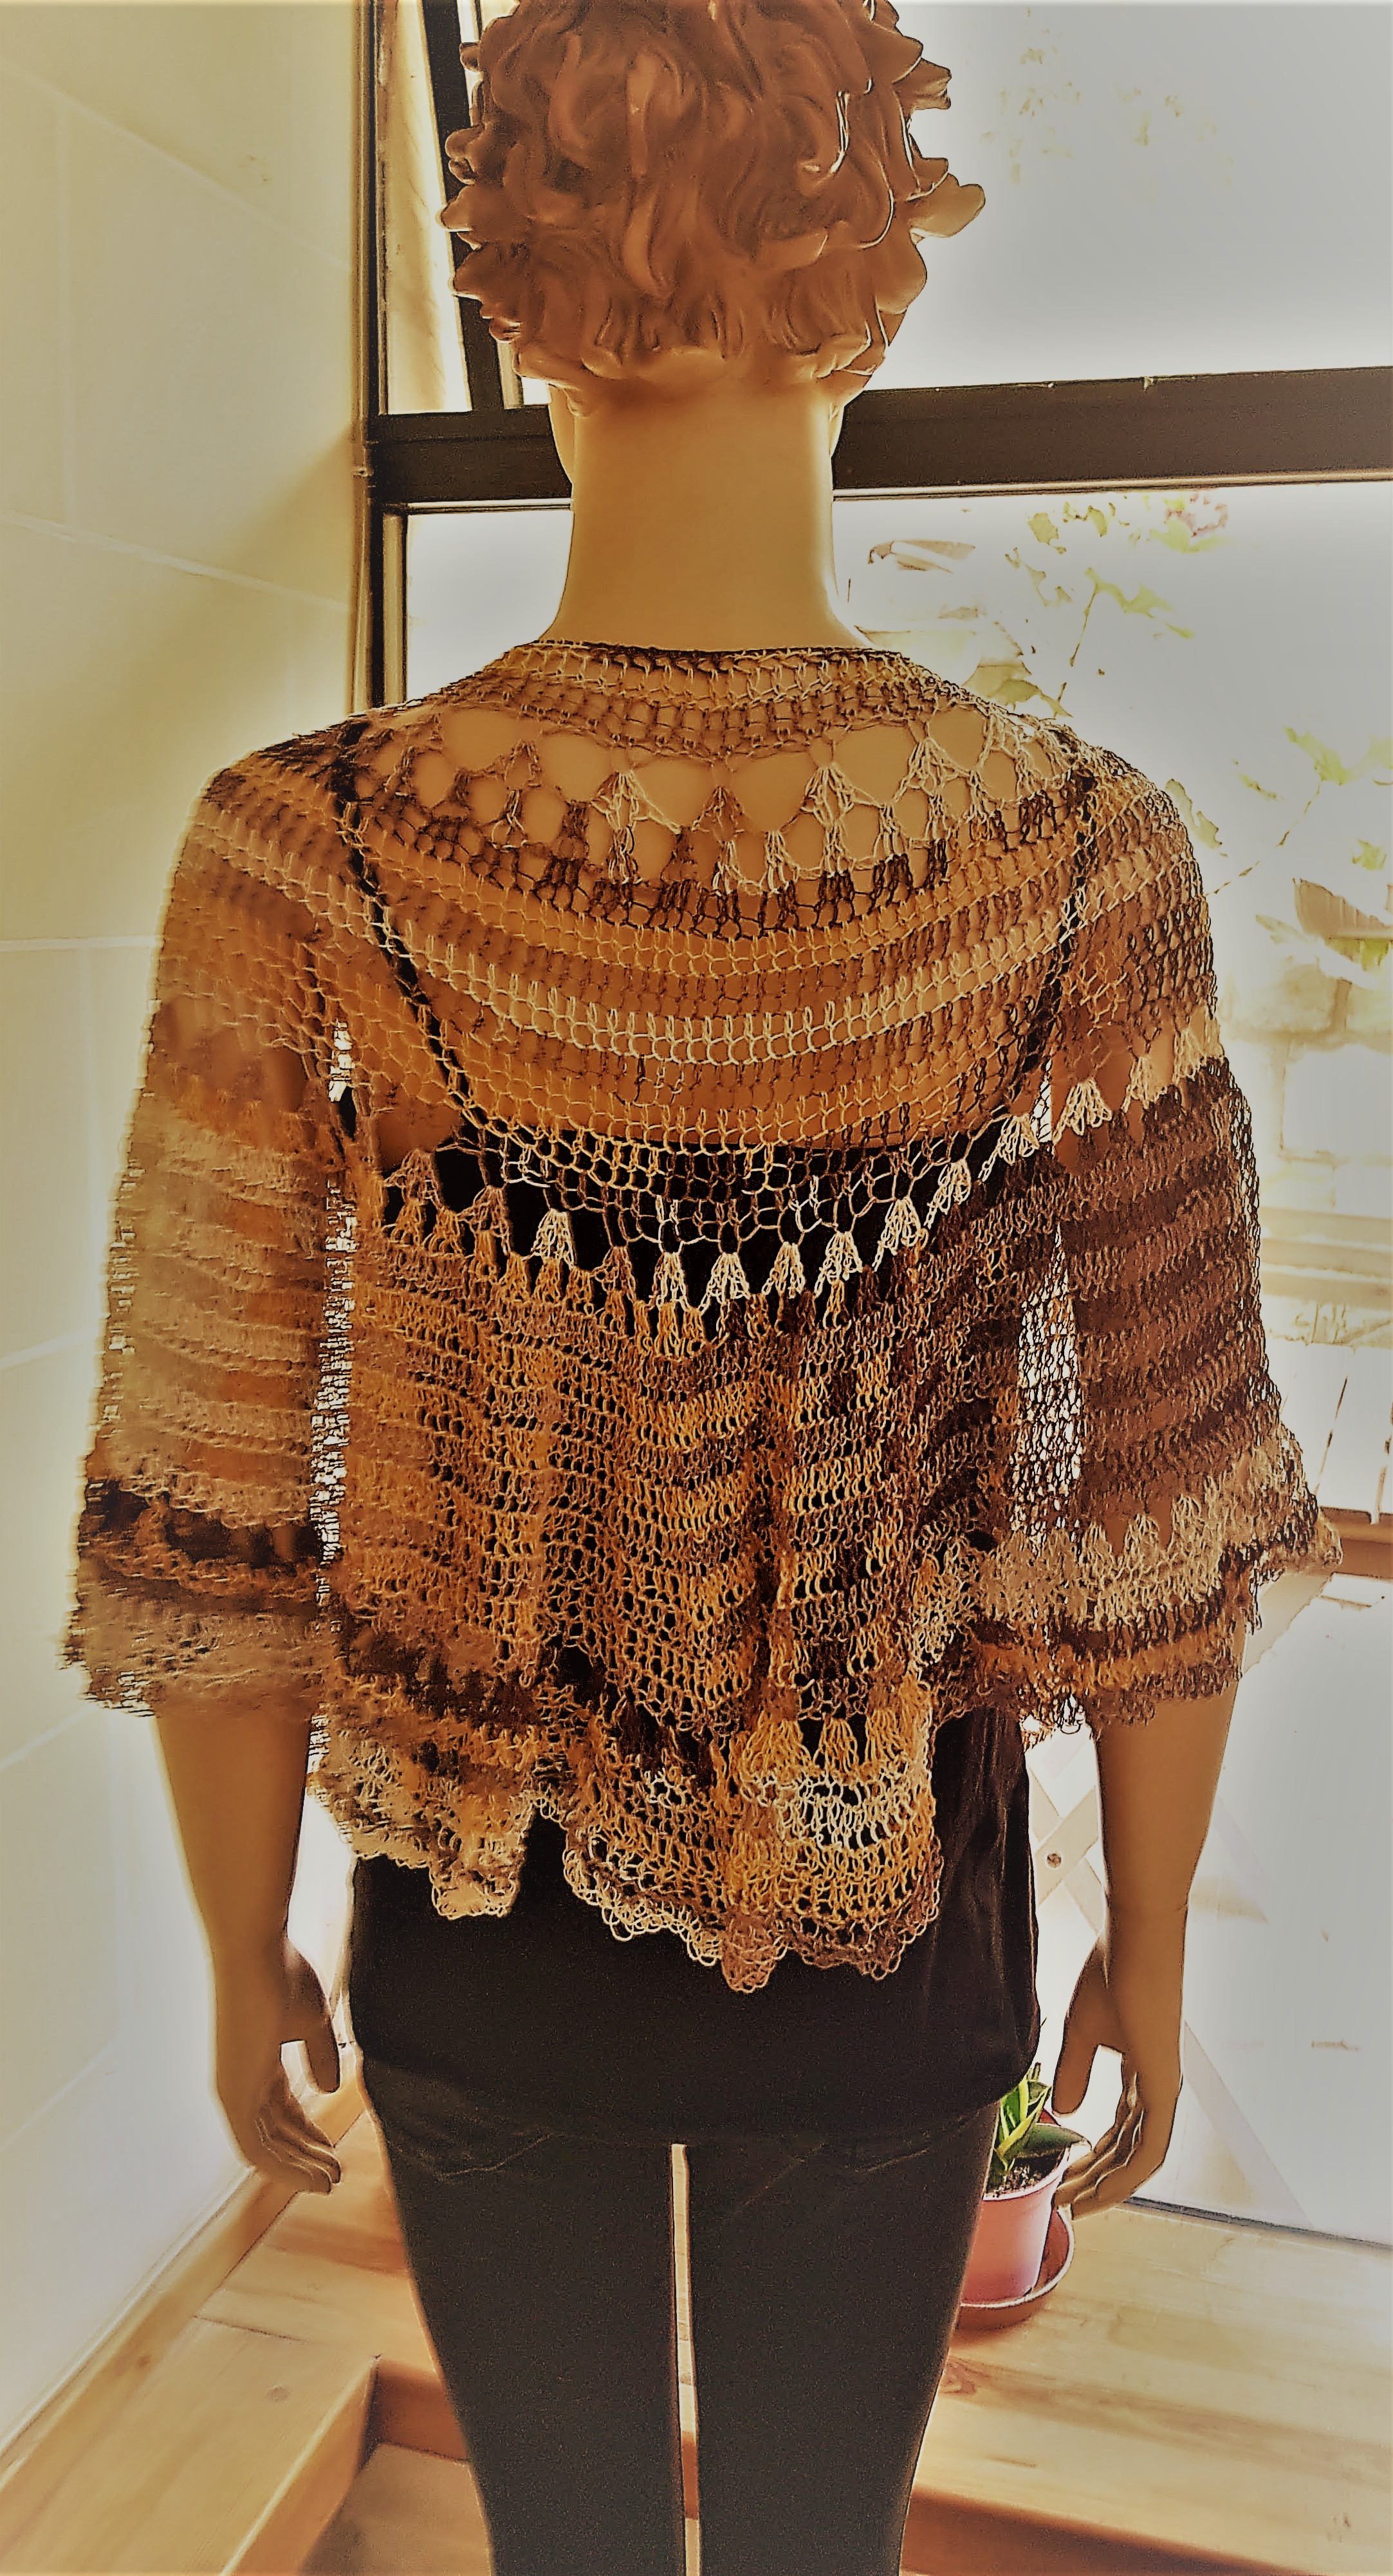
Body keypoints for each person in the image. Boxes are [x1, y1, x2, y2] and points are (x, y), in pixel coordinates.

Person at [66, 2, 1340, 2570]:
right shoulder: (1078, 854)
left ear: (516, 312)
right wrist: (1151, 1944)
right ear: (873, 301)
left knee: (561, 2546)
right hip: (892, 1945)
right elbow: (1163, 1503)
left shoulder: (300, 852)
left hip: (476, 1949)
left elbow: (214, 1496)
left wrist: (234, 1942)